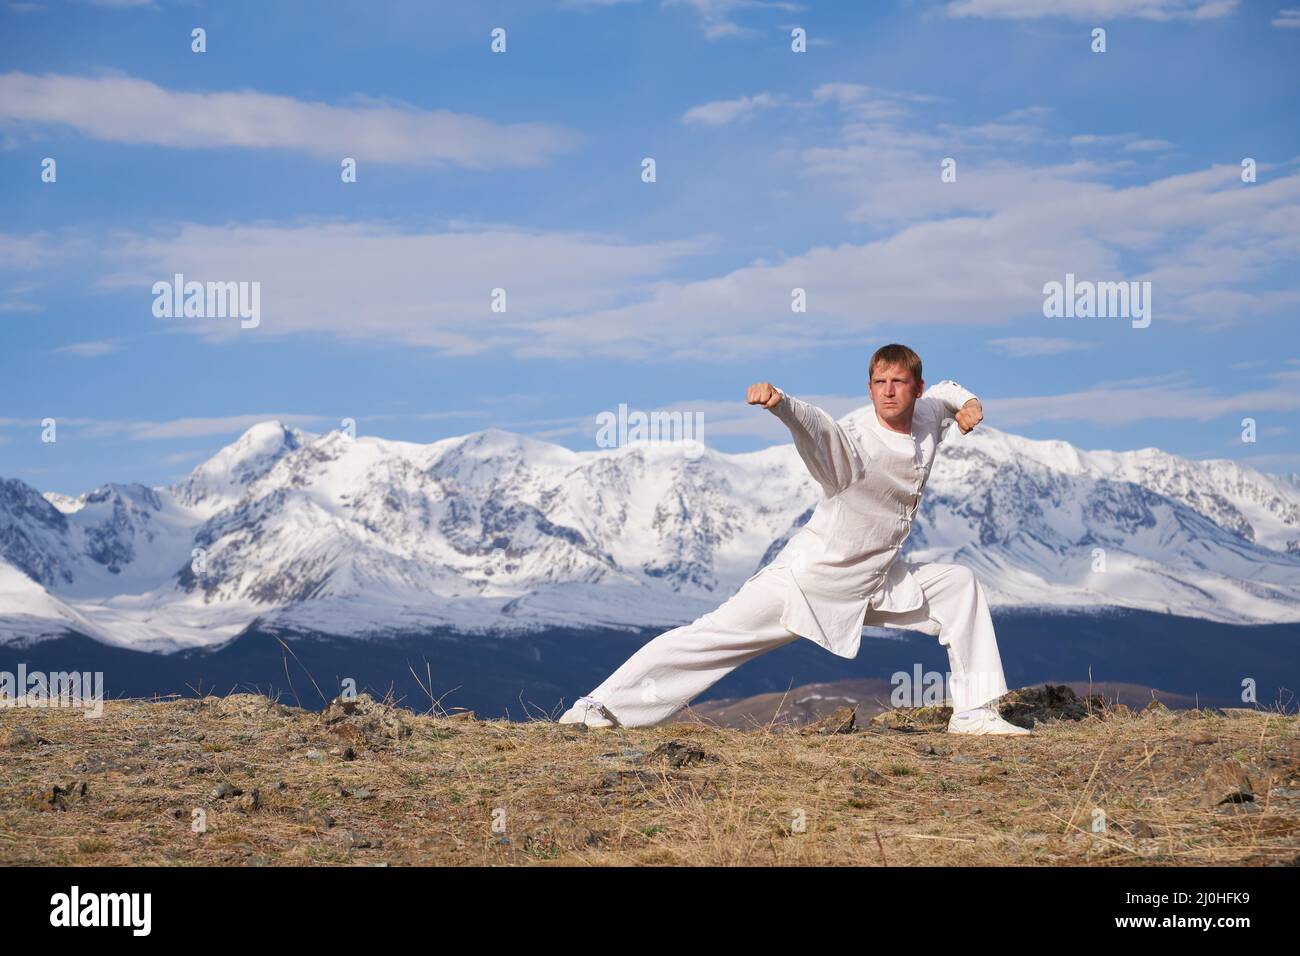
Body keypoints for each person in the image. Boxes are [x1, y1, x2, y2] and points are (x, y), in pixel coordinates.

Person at [559, 343, 1030, 735]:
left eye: (898, 382)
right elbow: (816, 428)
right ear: (869, 388)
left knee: (958, 586)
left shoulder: (927, 414)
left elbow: (948, 392)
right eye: (879, 383)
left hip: (873, 581)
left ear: (916, 388)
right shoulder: (854, 444)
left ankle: (975, 712)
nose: (888, 391)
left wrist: (969, 404)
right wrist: (781, 403)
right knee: (710, 637)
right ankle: (599, 708)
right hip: (808, 580)